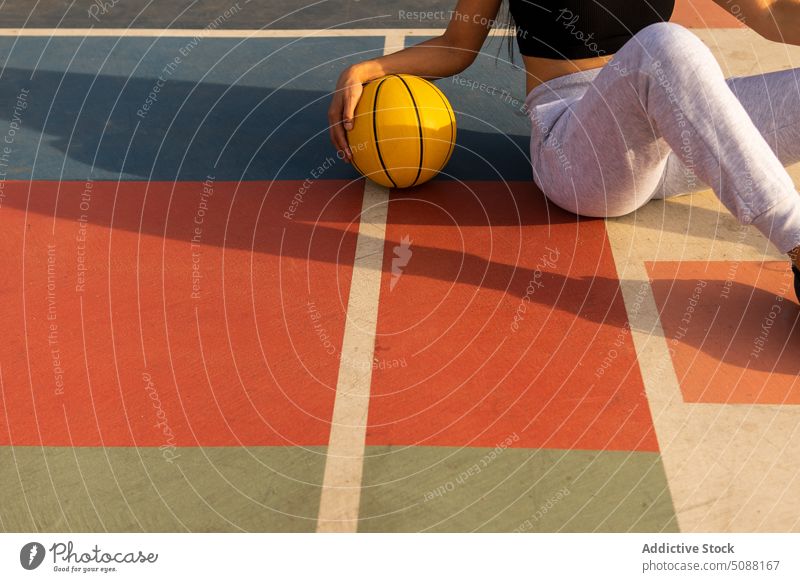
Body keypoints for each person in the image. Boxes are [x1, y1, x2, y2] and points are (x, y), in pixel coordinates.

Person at [328, 0, 800, 302]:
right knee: (665, 45)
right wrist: (370, 66)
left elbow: (771, 13)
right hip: (579, 152)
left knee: (664, 51)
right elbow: (457, 46)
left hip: (671, 140)